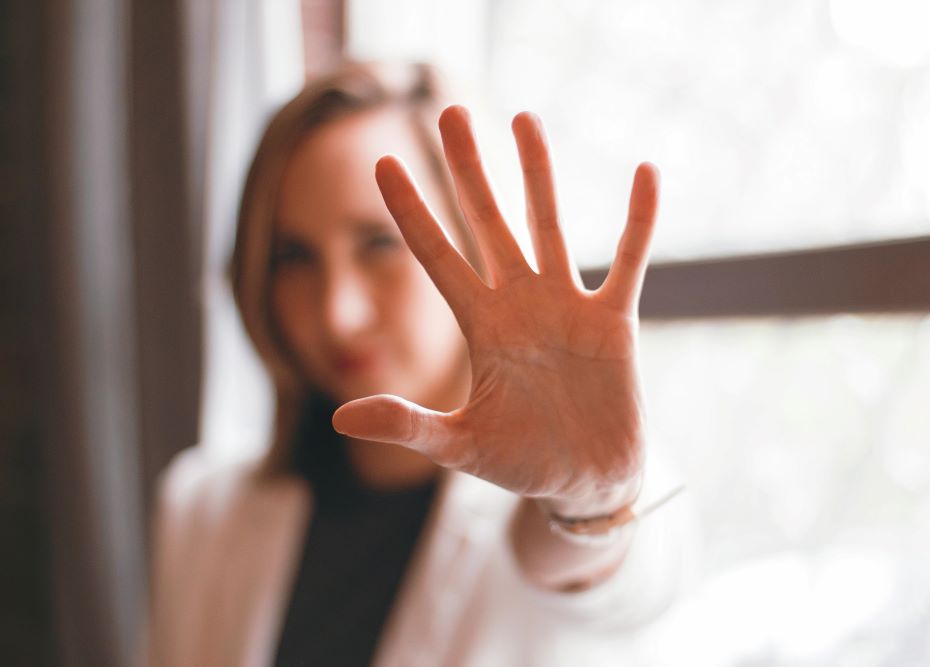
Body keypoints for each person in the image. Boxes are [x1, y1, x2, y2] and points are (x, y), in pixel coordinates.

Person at [147, 61, 698, 667]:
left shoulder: (574, 496)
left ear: (475, 244)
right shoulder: (199, 508)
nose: (338, 314)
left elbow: (603, 570)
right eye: (294, 256)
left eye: (380, 243)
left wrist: (586, 505)